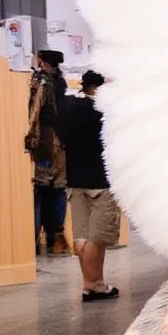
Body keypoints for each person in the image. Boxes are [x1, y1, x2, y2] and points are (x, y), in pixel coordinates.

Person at [59, 70, 120, 301]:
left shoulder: (69, 109)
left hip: (75, 180)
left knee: (82, 234)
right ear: (97, 88)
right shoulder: (103, 113)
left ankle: (92, 284)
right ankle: (93, 284)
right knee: (98, 237)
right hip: (100, 180)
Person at [25, 50, 69, 255]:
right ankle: (57, 239)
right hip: (61, 143)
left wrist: (29, 138)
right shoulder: (62, 81)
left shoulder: (39, 81)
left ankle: (30, 239)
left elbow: (33, 112)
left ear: (41, 62)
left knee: (38, 191)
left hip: (43, 142)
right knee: (58, 190)